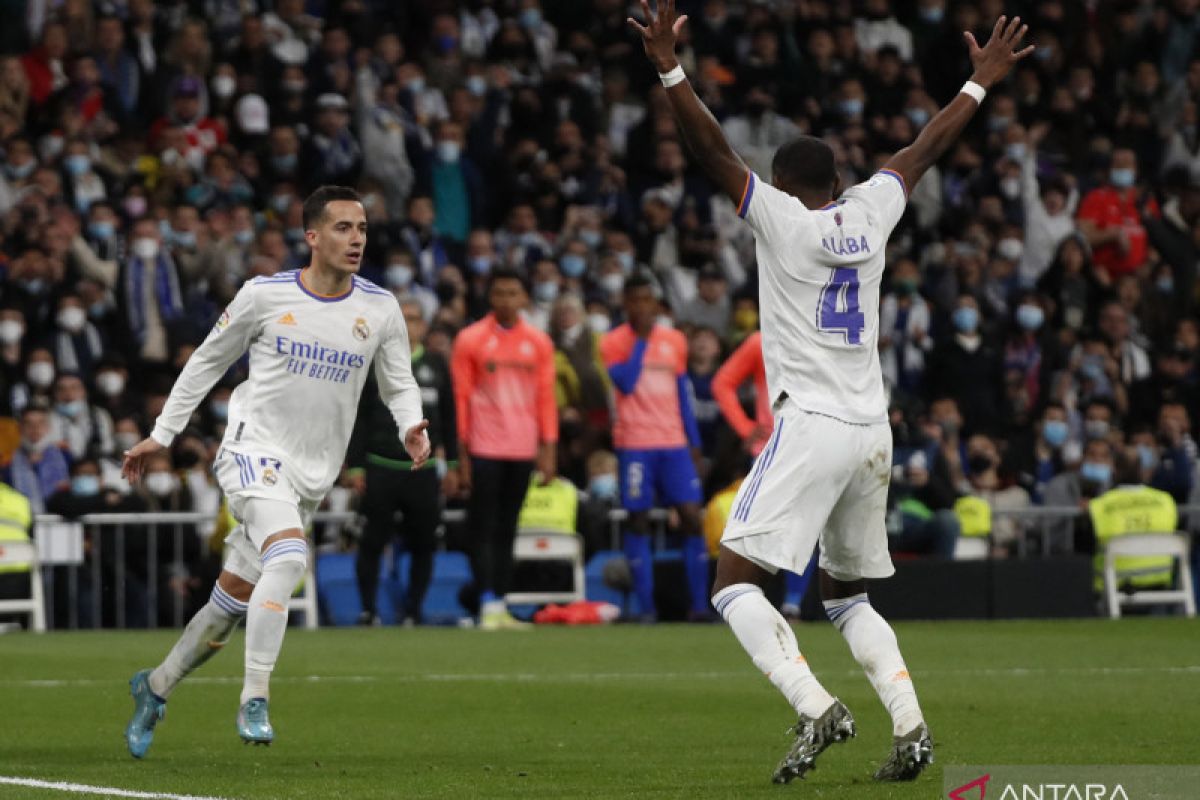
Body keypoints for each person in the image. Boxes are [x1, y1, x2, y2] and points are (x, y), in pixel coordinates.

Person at [629, 1, 1032, 782]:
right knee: (847, 595)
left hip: (810, 421)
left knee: (733, 580)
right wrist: (980, 83)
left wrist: (668, 68)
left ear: (782, 186)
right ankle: (911, 729)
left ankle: (815, 705)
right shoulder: (871, 212)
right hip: (871, 429)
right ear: (840, 181)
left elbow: (713, 154)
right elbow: (922, 150)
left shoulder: (780, 220)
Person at [121, 186, 430, 757]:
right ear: (311, 236)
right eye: (342, 227)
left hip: (312, 475)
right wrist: (162, 434)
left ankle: (155, 685)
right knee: (288, 559)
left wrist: (412, 423)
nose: (356, 237)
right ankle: (255, 697)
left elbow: (399, 381)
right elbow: (206, 361)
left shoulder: (380, 307)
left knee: (231, 602)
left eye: (361, 228)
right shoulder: (263, 295)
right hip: (251, 451)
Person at [450, 267, 557, 630]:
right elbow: (460, 399)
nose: (506, 300)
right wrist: (460, 454)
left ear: (524, 298)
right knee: (482, 527)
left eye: (513, 293)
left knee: (508, 527)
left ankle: (501, 602)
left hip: (522, 447)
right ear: (490, 296)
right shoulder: (470, 339)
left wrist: (548, 449)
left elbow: (546, 398)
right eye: (500, 293)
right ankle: (487, 601)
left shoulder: (539, 342)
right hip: (483, 446)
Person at [600, 273, 708, 622]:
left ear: (654, 303)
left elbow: (681, 393)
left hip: (674, 444)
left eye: (647, 300)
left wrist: (694, 444)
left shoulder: (675, 340)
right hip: (635, 444)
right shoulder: (613, 342)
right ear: (625, 304)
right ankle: (647, 609)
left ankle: (699, 607)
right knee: (638, 520)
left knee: (692, 518)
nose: (641, 307)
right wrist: (642, 342)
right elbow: (627, 384)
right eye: (634, 301)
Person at [348, 297, 456, 626]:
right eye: (403, 318)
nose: (409, 325)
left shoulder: (437, 366)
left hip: (421, 470)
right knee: (371, 542)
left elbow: (450, 419)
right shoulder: (372, 362)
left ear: (424, 325)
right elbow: (358, 417)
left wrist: (452, 465)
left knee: (424, 543)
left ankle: (413, 610)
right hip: (380, 466)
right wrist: (354, 466)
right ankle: (368, 610)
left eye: (414, 319)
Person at [711, 331, 814, 617]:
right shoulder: (762, 340)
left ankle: (791, 603)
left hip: (807, 444)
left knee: (802, 526)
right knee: (755, 526)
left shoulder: (819, 333)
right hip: (768, 448)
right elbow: (723, 383)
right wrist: (745, 428)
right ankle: (743, 599)